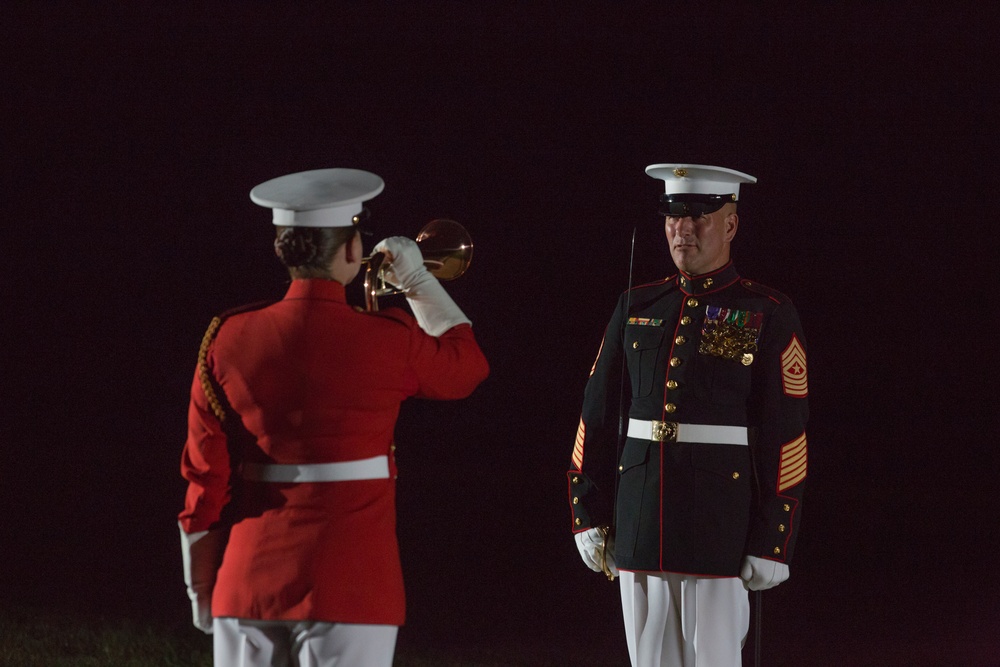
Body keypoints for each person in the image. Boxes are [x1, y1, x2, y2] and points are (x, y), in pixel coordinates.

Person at [178, 168, 489, 667]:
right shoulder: (387, 338)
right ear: (350, 251)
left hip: (246, 581)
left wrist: (201, 588)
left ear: (284, 249)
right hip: (353, 583)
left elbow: (203, 476)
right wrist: (415, 279)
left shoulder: (227, 337)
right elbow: (467, 367)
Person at [567, 164, 809, 667]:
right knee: (648, 659)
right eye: (674, 216)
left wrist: (774, 538)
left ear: (731, 224)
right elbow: (597, 409)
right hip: (639, 516)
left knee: (714, 658)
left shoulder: (762, 310)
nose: (684, 229)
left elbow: (786, 432)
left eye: (700, 216)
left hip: (718, 521)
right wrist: (586, 507)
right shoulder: (637, 304)